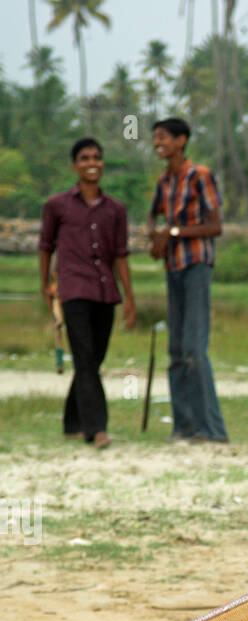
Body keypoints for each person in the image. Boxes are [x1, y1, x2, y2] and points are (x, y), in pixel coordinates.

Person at [38, 138, 135, 447]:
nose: (91, 162)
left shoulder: (116, 209)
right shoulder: (57, 205)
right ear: (74, 165)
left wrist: (129, 296)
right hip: (73, 290)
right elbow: (45, 247)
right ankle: (97, 429)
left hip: (105, 291)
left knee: (91, 360)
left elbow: (120, 254)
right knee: (85, 358)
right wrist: (45, 285)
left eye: (96, 157)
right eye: (84, 158)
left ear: (102, 163)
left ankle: (71, 422)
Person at [147, 117, 228, 443]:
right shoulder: (164, 181)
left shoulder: (200, 175)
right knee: (176, 349)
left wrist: (174, 231)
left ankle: (212, 430)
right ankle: (183, 427)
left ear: (181, 140)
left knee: (195, 348)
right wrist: (153, 235)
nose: (157, 144)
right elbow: (153, 214)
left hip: (196, 265)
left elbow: (215, 226)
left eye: (163, 137)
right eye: (155, 138)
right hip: (173, 267)